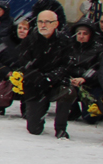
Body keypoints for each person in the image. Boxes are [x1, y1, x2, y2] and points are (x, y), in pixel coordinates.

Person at [17, 10, 74, 138]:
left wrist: (51, 78)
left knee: (68, 91)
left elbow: (67, 64)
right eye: (40, 22)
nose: (43, 25)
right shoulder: (29, 41)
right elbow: (25, 65)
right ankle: (39, 113)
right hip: (35, 84)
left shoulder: (64, 41)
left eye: (48, 22)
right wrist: (40, 79)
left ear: (56, 24)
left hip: (56, 83)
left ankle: (60, 128)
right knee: (34, 129)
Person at [0, 17, 30, 116]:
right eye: (20, 28)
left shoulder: (31, 44)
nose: (22, 31)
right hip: (6, 75)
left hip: (25, 76)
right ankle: (1, 105)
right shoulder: (4, 42)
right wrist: (6, 71)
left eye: (25, 29)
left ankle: (26, 109)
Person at [66, 19, 103, 123]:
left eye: (85, 34)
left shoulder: (99, 49)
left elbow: (99, 69)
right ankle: (73, 110)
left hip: (90, 84)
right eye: (79, 33)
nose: (81, 36)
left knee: (90, 118)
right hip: (71, 82)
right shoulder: (69, 47)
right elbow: (64, 64)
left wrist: (84, 78)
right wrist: (70, 78)